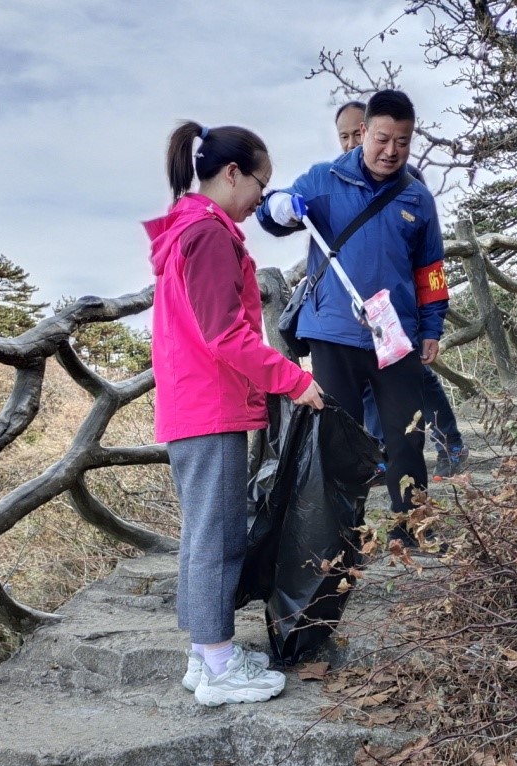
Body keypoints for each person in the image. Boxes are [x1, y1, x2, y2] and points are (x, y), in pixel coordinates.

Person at [146, 121, 324, 707]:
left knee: (205, 533)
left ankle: (206, 655)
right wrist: (295, 379)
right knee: (217, 535)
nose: (260, 200)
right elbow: (227, 336)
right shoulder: (210, 236)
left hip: (189, 400)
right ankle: (219, 666)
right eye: (259, 184)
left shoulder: (186, 230)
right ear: (231, 174)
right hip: (209, 404)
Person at [258, 89, 448, 543]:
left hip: (395, 337)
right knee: (339, 441)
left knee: (407, 438)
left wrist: (432, 328)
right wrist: (279, 207)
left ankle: (412, 531)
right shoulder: (323, 180)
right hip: (333, 333)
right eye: (383, 139)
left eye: (403, 142)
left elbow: (432, 272)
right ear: (363, 132)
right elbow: (270, 213)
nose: (391, 151)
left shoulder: (417, 198)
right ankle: (340, 537)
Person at [333, 101, 469, 479]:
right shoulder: (339, 183)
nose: (348, 144)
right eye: (342, 137)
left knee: (418, 379)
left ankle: (450, 444)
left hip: (400, 312)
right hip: (360, 318)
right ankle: (383, 455)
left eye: (354, 134)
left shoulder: (410, 184)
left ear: (366, 131)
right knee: (370, 387)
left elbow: (427, 262)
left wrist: (430, 325)